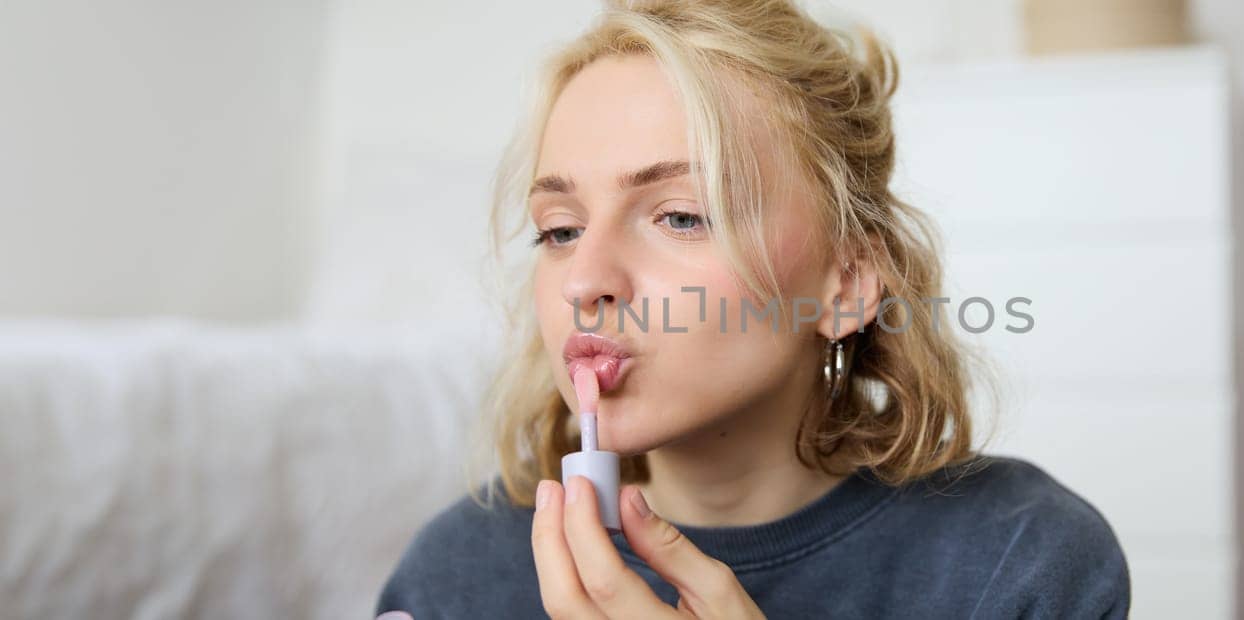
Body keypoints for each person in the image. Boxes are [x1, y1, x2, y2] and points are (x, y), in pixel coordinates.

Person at [376, 1, 1129, 617]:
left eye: (680, 215)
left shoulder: (1019, 561)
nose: (584, 281)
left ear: (847, 283)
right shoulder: (455, 575)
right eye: (560, 230)